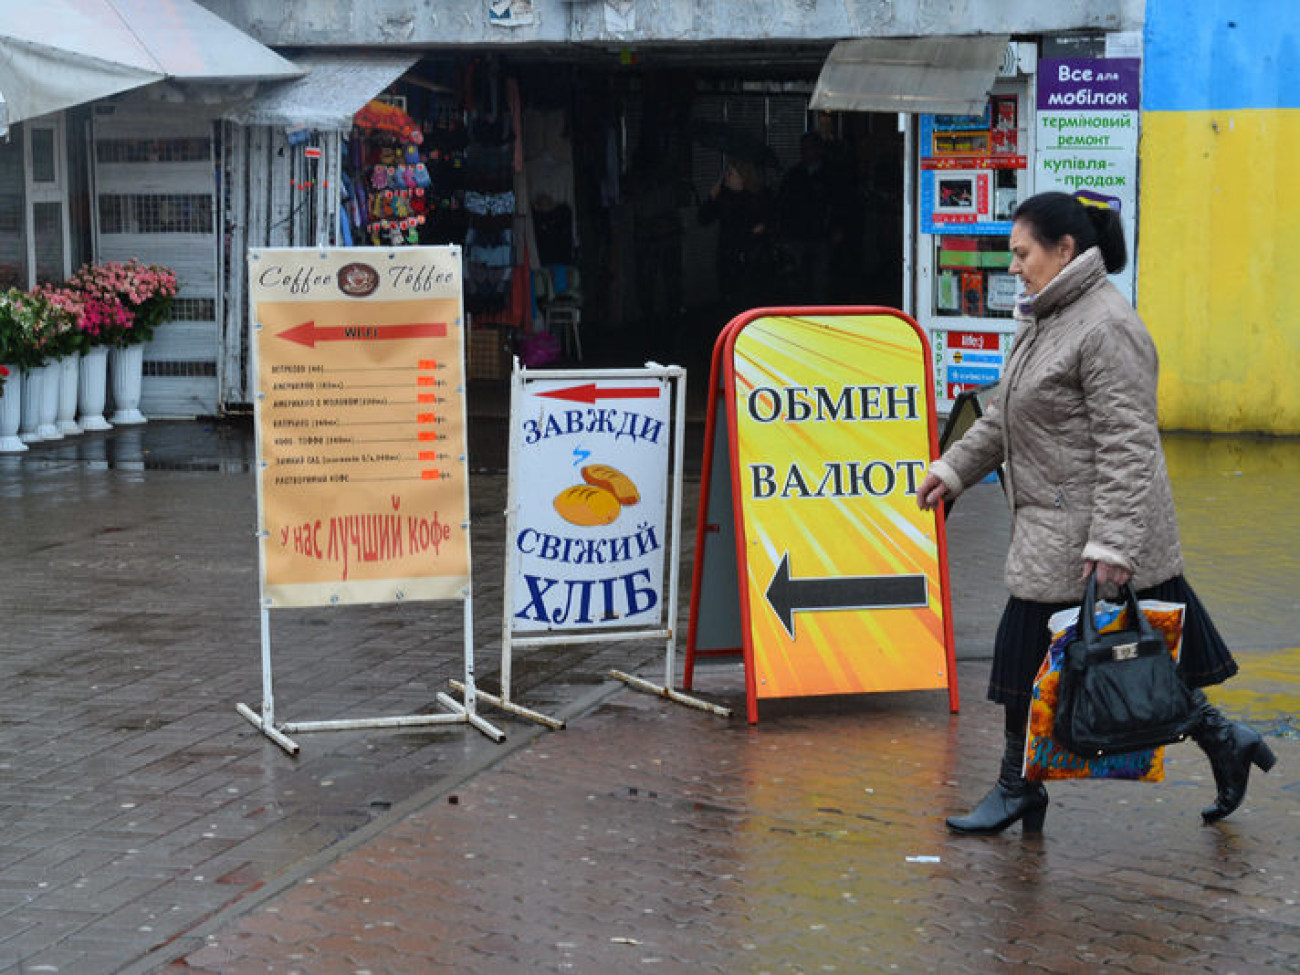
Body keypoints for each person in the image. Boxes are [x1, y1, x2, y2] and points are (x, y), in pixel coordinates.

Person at [916, 191, 1276, 835]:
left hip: (1095, 535)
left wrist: (1112, 544)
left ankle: (1016, 787)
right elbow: (1005, 414)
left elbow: (1129, 444)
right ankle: (1224, 740)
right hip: (1056, 527)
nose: (1014, 267)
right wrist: (953, 471)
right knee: (1126, 663)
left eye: (1022, 254)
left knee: (1044, 663)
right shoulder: (1045, 317)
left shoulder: (1106, 326)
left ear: (1064, 250)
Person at [697, 156, 774, 314]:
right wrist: (711, 198)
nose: (727, 177)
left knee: (747, 301)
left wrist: (758, 231)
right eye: (727, 173)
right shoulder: (724, 196)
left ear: (742, 176)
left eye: (731, 173)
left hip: (750, 260)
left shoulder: (758, 196)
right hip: (727, 257)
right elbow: (703, 219)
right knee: (728, 301)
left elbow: (767, 225)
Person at [776, 132, 843, 303]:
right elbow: (784, 205)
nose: (807, 152)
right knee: (798, 281)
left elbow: (839, 204)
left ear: (819, 150)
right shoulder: (794, 175)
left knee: (821, 281)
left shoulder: (831, 174)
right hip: (798, 235)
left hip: (822, 235)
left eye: (811, 148)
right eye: (804, 148)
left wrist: (836, 228)